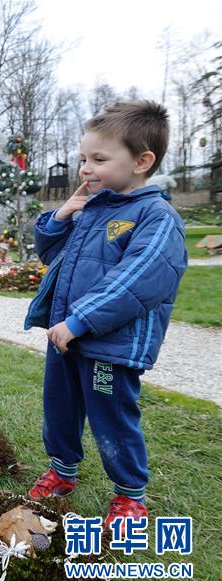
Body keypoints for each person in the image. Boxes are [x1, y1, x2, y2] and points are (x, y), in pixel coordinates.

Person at [24, 101, 187, 533]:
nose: (85, 169)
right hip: (66, 340)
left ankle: (130, 494)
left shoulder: (155, 218)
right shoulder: (93, 209)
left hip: (107, 347)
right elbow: (52, 255)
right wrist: (62, 215)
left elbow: (137, 281)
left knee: (111, 416)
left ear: (142, 161)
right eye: (83, 159)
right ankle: (62, 471)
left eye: (98, 159)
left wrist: (78, 321)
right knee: (59, 408)